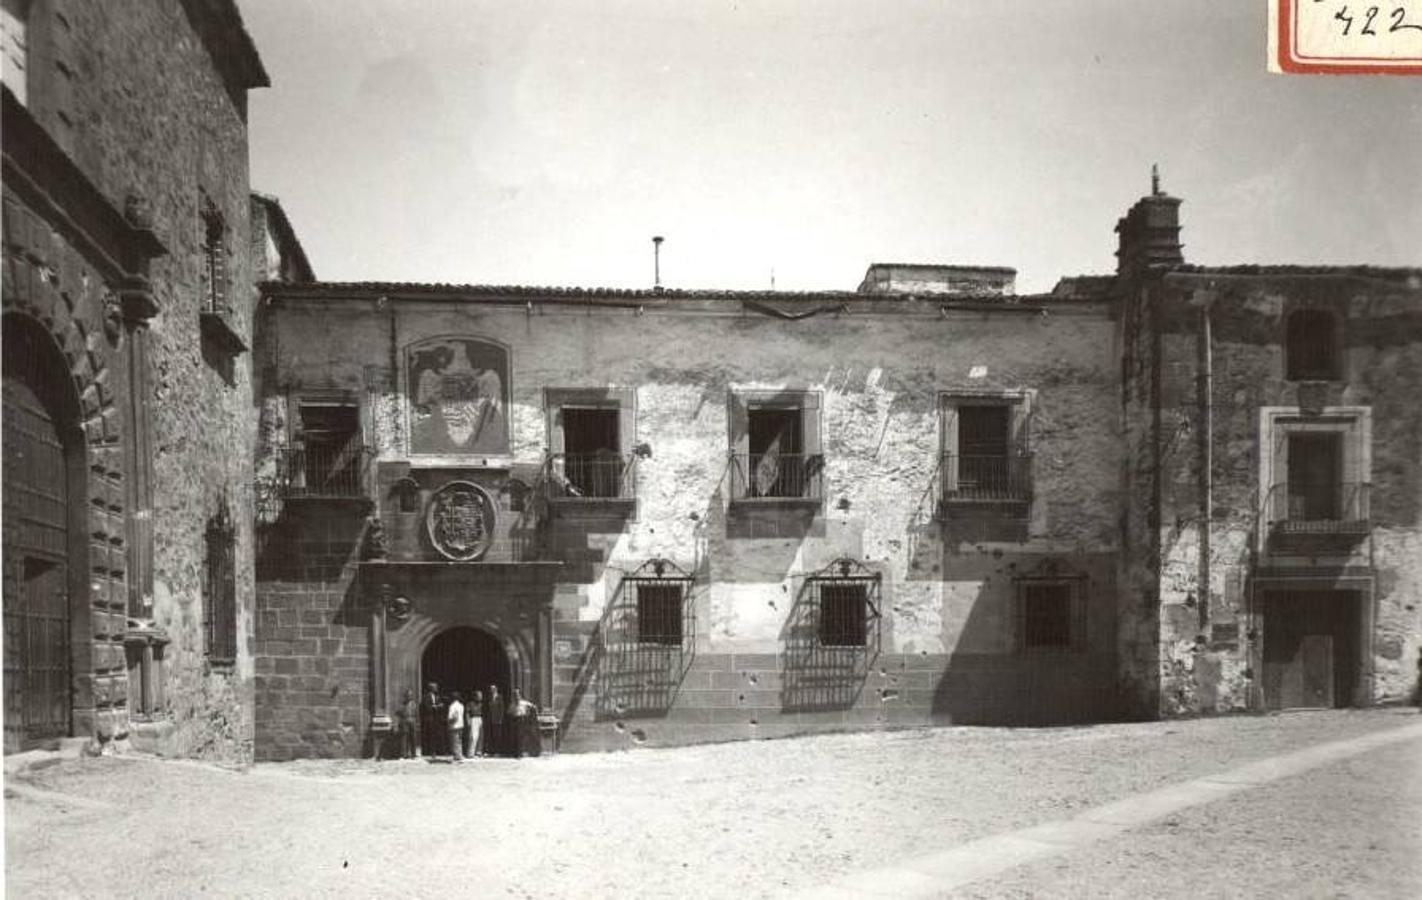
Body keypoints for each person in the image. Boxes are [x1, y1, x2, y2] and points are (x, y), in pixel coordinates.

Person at [508, 688, 537, 759]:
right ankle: (516, 753)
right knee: (515, 737)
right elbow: (509, 712)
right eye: (515, 695)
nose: (516, 696)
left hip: (522, 720)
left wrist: (530, 716)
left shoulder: (524, 703)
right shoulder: (512, 704)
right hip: (515, 720)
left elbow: (533, 707)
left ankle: (521, 753)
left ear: (520, 695)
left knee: (521, 737)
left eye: (517, 694)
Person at [420, 681, 443, 757]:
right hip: (429, 719)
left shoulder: (437, 697)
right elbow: (426, 707)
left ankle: (435, 751)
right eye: (435, 687)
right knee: (429, 736)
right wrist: (435, 707)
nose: (437, 688)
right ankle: (427, 751)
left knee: (435, 736)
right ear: (431, 688)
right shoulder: (426, 697)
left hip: (436, 719)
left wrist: (439, 706)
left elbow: (440, 706)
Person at [397, 689, 418, 759]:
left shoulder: (414, 704)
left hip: (412, 721)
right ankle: (403, 754)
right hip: (405, 721)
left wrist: (416, 721)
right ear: (405, 696)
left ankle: (413, 754)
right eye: (408, 695)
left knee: (413, 738)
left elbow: (416, 714)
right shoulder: (402, 704)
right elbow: (398, 712)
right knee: (404, 738)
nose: (409, 697)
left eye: (410, 695)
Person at [484, 685, 504, 757]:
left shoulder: (499, 697)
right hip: (490, 719)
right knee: (490, 735)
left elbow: (502, 709)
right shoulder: (489, 698)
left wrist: (500, 719)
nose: (491, 690)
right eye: (491, 689)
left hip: (497, 720)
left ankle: (497, 751)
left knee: (497, 736)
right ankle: (490, 751)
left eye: (493, 689)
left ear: (496, 689)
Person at [447, 692, 466, 762]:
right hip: (460, 725)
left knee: (454, 741)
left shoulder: (452, 706)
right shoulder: (461, 706)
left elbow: (450, 716)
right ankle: (460, 754)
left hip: (454, 725)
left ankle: (457, 756)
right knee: (459, 741)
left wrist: (448, 722)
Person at [467, 689, 484, 757]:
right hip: (473, 718)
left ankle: (478, 752)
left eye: (481, 696)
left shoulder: (481, 704)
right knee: (473, 736)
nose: (481, 697)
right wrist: (468, 721)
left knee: (480, 736)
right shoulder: (470, 703)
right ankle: (471, 753)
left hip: (480, 718)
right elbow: (467, 712)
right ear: (475, 696)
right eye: (479, 696)